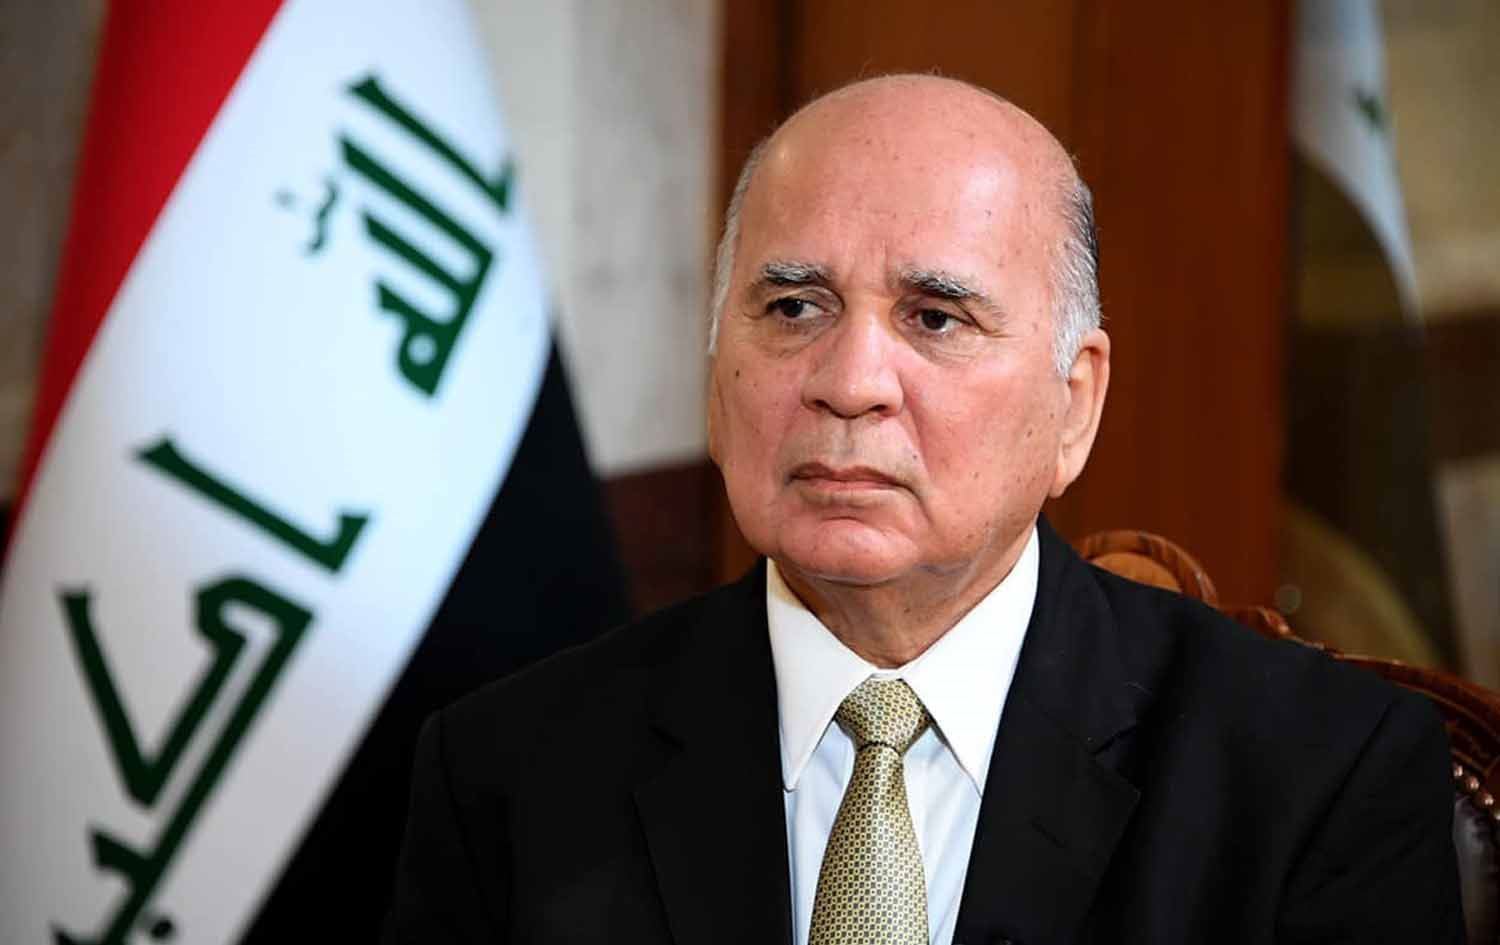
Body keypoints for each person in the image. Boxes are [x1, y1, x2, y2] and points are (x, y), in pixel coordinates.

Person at [383, 75, 1462, 944]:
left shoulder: (1320, 773)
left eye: (936, 318)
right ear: (716, 384)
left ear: (1074, 404)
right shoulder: (507, 774)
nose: (850, 381)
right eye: (793, 307)